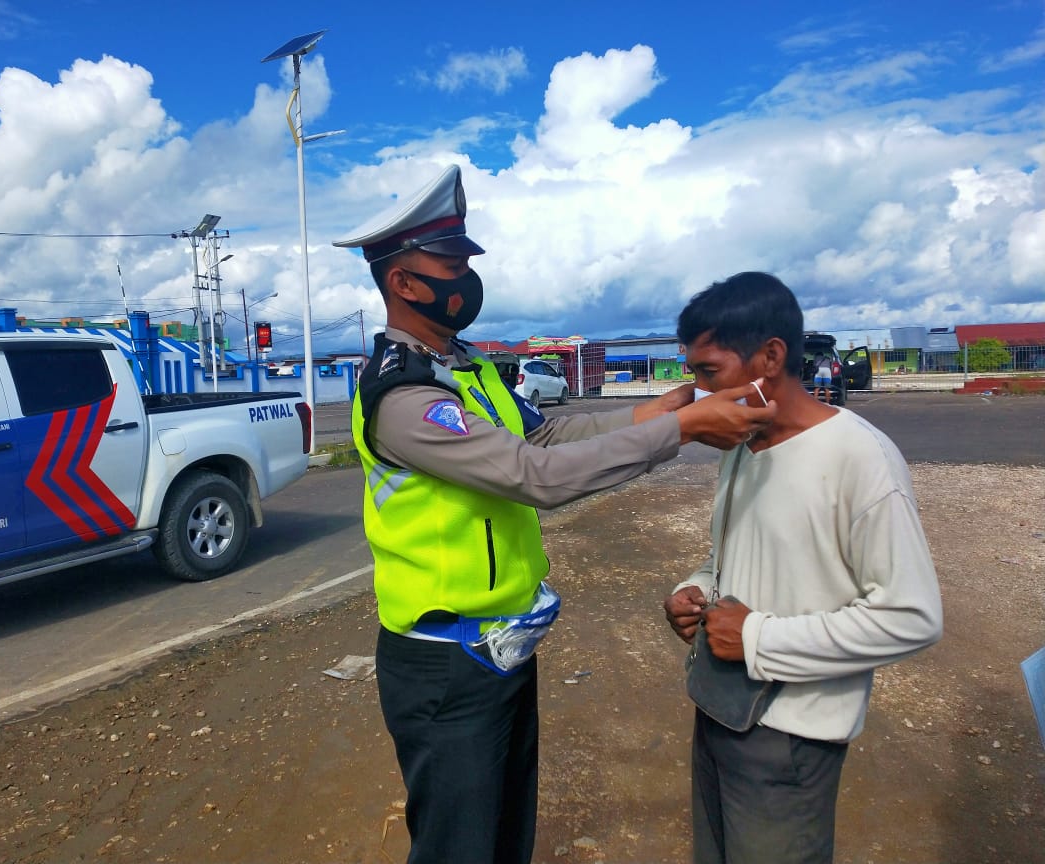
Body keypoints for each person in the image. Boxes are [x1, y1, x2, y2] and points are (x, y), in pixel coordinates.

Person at [332, 165, 776, 864]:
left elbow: (538, 437)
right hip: (444, 664)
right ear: (405, 283)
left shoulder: (465, 367)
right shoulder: (405, 398)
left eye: (466, 261)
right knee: (458, 847)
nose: (466, 277)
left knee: (506, 835)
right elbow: (532, 476)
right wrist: (681, 433)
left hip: (502, 647)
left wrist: (650, 412)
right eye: (449, 264)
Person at [663, 272, 943, 864]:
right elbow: (732, 556)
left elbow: (912, 616)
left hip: (791, 737)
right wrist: (693, 590)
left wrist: (758, 638)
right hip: (721, 708)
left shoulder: (859, 458)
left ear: (770, 357)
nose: (697, 392)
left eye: (708, 372)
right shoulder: (746, 446)